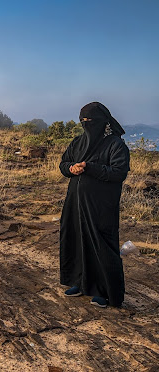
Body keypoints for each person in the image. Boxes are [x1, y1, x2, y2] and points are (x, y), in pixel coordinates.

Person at [59, 102, 130, 308]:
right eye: (83, 120)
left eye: (90, 120)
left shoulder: (115, 145)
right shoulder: (78, 142)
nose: (86, 123)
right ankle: (79, 283)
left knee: (101, 245)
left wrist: (90, 167)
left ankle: (105, 292)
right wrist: (71, 168)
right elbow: (63, 164)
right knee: (76, 239)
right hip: (75, 202)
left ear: (103, 121)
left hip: (101, 206)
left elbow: (119, 172)